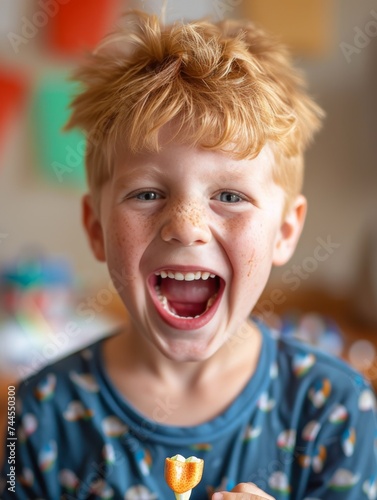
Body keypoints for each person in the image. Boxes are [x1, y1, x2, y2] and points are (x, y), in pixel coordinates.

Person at [1, 9, 376, 500]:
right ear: (96, 227)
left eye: (230, 196)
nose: (185, 226)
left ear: (285, 231)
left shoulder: (337, 409)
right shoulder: (33, 413)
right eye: (147, 194)